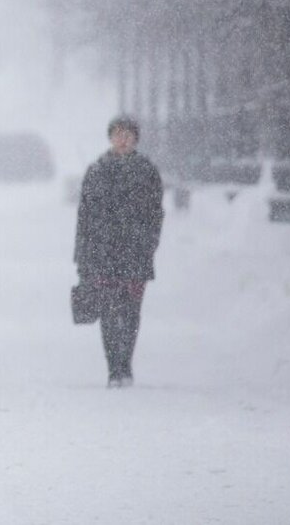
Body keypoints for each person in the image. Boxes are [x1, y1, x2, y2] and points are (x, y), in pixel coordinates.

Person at [74, 116, 164, 388]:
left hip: (135, 254)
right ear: (110, 138)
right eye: (117, 134)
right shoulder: (97, 171)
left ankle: (126, 363)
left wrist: (149, 243)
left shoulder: (147, 172)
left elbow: (155, 214)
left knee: (131, 311)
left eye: (127, 134)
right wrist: (82, 255)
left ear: (135, 138)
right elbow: (85, 217)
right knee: (109, 312)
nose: (122, 139)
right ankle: (114, 367)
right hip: (104, 254)